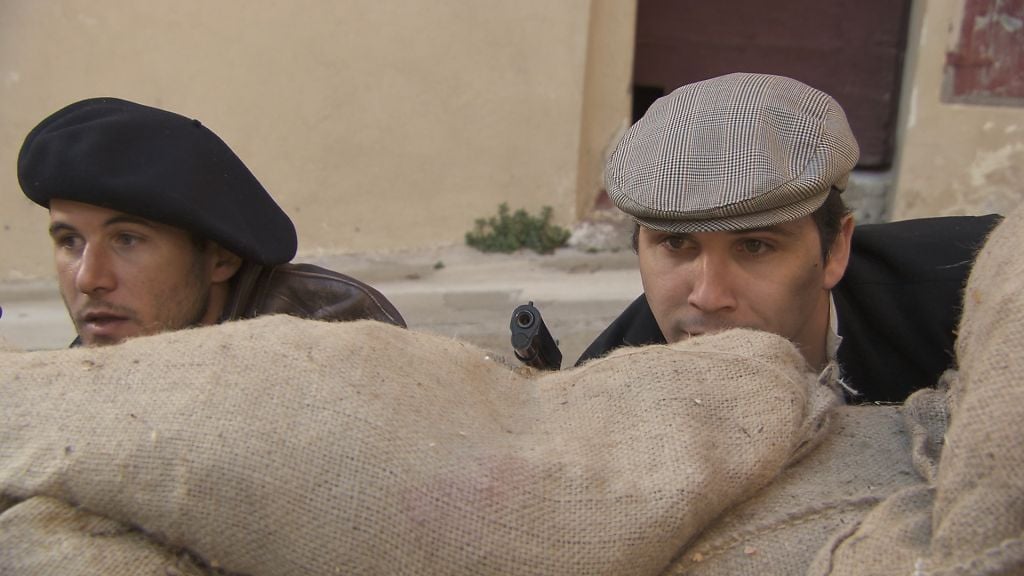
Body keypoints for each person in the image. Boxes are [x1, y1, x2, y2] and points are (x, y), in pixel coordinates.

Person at [576, 73, 999, 403]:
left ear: (835, 249)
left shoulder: (976, 292)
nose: (707, 296)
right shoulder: (604, 386)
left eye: (754, 245)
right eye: (675, 243)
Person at [17, 97, 405, 347]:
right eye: (70, 241)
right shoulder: (98, 350)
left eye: (127, 239)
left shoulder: (330, 329)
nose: (88, 279)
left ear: (221, 259)